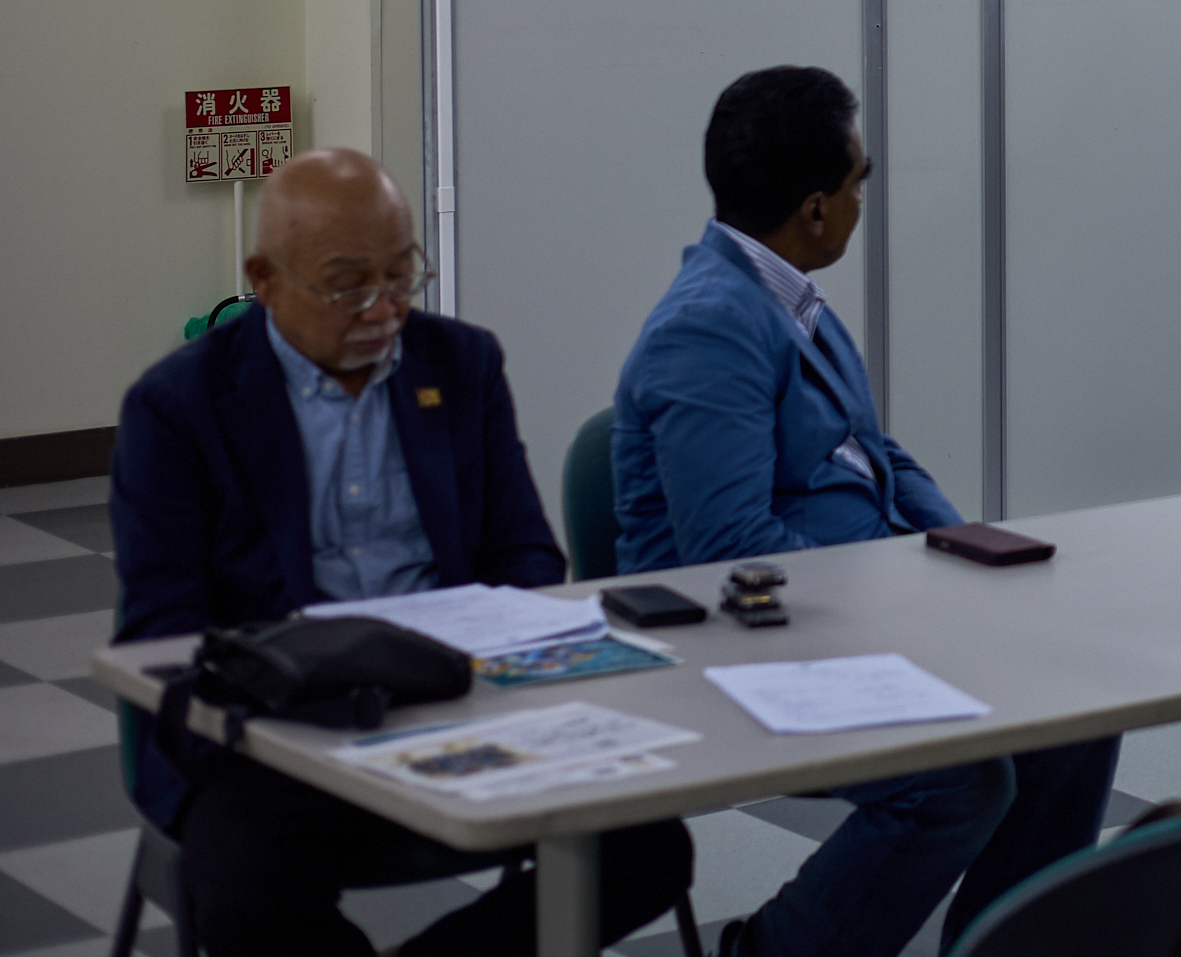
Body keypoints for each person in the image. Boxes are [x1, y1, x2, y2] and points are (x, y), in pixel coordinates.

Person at [111, 149, 693, 957]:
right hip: (282, 720)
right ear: (265, 279)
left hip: (455, 694)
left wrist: (489, 656)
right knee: (245, 887)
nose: (381, 307)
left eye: (400, 274)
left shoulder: (460, 365)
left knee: (646, 848)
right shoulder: (181, 407)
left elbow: (526, 554)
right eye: (346, 283)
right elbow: (163, 625)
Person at [612, 67, 1119, 957]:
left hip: (850, 612)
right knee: (955, 781)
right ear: (814, 208)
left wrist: (960, 547)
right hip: (748, 638)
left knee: (1073, 712)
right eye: (857, 184)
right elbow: (729, 550)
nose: (860, 202)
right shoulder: (711, 325)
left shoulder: (788, 294)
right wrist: (902, 597)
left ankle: (1006, 946)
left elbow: (873, 453)